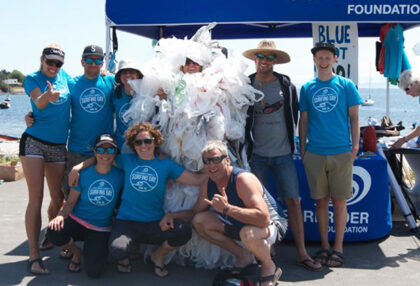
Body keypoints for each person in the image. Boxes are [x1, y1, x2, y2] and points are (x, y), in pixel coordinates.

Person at [69, 122, 207, 277]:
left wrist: (219, 170)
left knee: (183, 232)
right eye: (138, 142)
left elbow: (195, 180)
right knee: (117, 250)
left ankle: (158, 255)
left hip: (155, 222)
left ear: (155, 142)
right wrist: (78, 167)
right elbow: (103, 157)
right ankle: (125, 256)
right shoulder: (127, 160)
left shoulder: (166, 164)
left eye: (147, 141)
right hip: (127, 222)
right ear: (133, 145)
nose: (143, 145)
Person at [242, 40, 321, 271]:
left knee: (294, 202)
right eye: (260, 56)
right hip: (256, 156)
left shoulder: (286, 84)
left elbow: (299, 116)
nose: (264, 61)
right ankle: (266, 251)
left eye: (269, 57)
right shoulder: (246, 84)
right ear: (254, 58)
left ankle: (302, 252)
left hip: (284, 154)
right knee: (259, 207)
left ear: (275, 61)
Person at [298, 42, 362, 267]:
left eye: (327, 57)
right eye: (319, 57)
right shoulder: (307, 87)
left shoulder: (346, 85)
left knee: (340, 201)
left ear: (335, 59)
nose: (323, 61)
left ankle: (338, 247)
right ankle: (324, 246)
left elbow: (354, 118)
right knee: (321, 202)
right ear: (315, 60)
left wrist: (355, 147)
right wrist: (303, 149)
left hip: (341, 151)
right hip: (315, 152)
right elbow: (303, 120)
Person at [193, 140, 282, 286]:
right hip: (241, 224)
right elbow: (194, 212)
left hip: (271, 225)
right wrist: (171, 217)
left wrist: (227, 208)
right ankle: (244, 256)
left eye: (216, 159)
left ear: (227, 160)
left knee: (248, 234)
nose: (211, 165)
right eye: (206, 161)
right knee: (199, 221)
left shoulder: (243, 179)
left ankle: (269, 265)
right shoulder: (208, 183)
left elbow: (264, 219)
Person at [21, 44, 71, 275]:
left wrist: (104, 73)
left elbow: (83, 82)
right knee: (36, 197)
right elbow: (38, 102)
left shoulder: (66, 77)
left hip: (58, 145)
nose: (53, 67)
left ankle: (52, 236)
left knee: (58, 197)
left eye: (57, 63)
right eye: (49, 62)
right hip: (34, 141)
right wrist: (46, 97)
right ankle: (33, 255)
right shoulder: (32, 78)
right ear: (42, 59)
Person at [47, 134, 123, 277]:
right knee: (53, 231)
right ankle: (76, 252)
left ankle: (93, 249)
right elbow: (70, 203)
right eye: (100, 150)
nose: (105, 154)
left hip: (100, 227)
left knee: (94, 272)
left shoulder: (120, 175)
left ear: (116, 153)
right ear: (94, 152)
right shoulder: (83, 174)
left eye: (110, 150)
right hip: (78, 221)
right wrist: (59, 216)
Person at [63, 45, 115, 197]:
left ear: (102, 63)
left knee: (101, 195)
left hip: (104, 150)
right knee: (70, 195)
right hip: (77, 149)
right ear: (82, 62)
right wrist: (33, 116)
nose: (93, 64)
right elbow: (57, 108)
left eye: (98, 60)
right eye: (89, 60)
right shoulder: (71, 84)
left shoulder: (110, 81)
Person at [112, 59, 144, 152]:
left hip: (142, 145)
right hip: (120, 145)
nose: (128, 75)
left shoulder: (147, 93)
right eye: (124, 72)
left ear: (138, 75)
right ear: (120, 76)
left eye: (131, 72)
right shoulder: (115, 93)